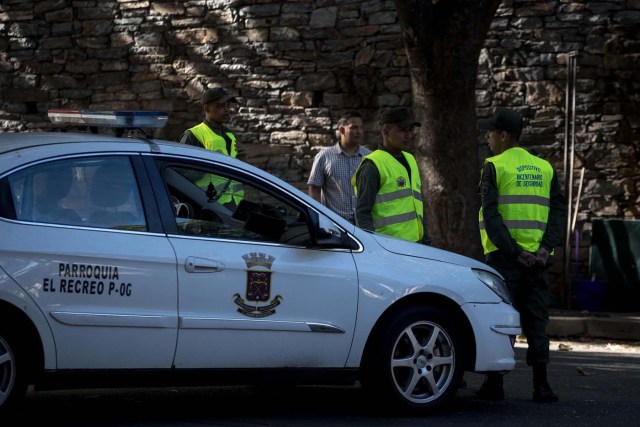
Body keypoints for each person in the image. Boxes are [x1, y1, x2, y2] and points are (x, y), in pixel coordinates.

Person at [475, 107, 567, 403]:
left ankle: (494, 385)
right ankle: (543, 386)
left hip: (506, 260)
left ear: (503, 135)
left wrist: (515, 253)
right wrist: (543, 248)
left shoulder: (494, 165)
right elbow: (558, 212)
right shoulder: (545, 167)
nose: (487, 137)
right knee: (537, 321)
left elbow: (491, 216)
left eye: (490, 132)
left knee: (502, 321)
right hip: (538, 261)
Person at [352, 107, 431, 244]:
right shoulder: (372, 165)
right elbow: (362, 214)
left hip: (416, 246)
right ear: (386, 131)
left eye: (410, 130)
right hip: (389, 248)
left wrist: (425, 240)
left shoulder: (411, 160)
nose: (408, 135)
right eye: (402, 130)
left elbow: (416, 206)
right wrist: (372, 248)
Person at [180, 87, 243, 209]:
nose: (226, 110)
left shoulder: (229, 135)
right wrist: (206, 164)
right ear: (206, 109)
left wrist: (242, 162)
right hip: (208, 207)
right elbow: (182, 175)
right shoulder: (193, 135)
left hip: (234, 205)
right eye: (220, 106)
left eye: (227, 105)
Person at [307, 111, 371, 223]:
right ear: (342, 130)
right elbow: (314, 189)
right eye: (354, 128)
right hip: (336, 224)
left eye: (361, 128)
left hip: (365, 224)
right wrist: (320, 218)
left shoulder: (370, 157)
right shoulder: (324, 157)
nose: (359, 132)